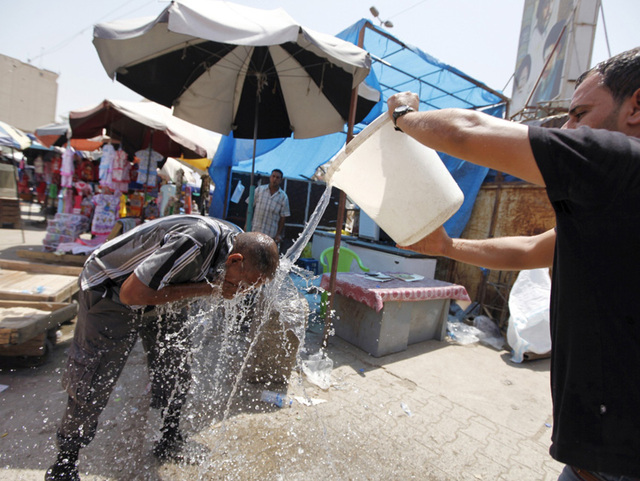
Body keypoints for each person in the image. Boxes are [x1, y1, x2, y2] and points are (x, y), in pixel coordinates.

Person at [388, 47, 640, 480]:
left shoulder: (620, 161)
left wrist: (405, 116)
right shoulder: (620, 202)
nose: (568, 127)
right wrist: (447, 246)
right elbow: (529, 251)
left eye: (580, 113)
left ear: (636, 106)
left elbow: (467, 131)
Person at [45, 214, 279, 481]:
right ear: (235, 261)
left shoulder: (237, 243)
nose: (241, 292)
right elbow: (131, 294)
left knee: (176, 364)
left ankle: (170, 437)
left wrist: (209, 287)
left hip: (162, 288)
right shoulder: (196, 241)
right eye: (244, 284)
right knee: (95, 376)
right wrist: (208, 288)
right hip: (111, 290)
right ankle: (65, 462)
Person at [250, 168, 290, 244]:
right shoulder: (259, 190)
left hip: (270, 235)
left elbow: (283, 218)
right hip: (255, 231)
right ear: (270, 177)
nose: (275, 179)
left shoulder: (283, 197)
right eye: (273, 176)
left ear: (281, 180)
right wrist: (247, 224)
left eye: (277, 177)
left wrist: (278, 234)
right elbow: (250, 207)